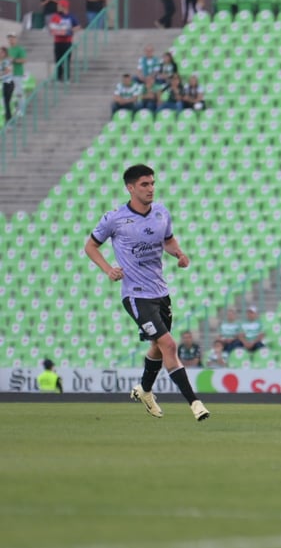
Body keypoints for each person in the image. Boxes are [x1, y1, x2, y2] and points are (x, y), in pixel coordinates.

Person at [83, 164, 209, 421]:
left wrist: (179, 253)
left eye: (152, 183)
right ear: (130, 188)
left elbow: (169, 240)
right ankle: (195, 403)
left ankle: (145, 390)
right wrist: (108, 269)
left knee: (157, 346)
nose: (151, 188)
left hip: (160, 292)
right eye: (144, 184)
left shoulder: (161, 213)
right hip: (135, 295)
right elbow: (91, 246)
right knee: (169, 345)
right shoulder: (114, 218)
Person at [49, 0, 80, 82]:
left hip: (67, 42)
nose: (58, 7)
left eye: (59, 6)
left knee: (67, 61)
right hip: (58, 41)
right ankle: (59, 77)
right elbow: (51, 27)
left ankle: (67, 77)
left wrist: (70, 30)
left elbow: (77, 26)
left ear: (64, 7)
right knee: (58, 60)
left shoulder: (71, 16)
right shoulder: (55, 16)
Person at [7, 34, 25, 116]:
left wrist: (13, 60)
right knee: (10, 93)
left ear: (16, 39)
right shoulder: (7, 50)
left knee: (19, 92)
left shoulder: (19, 49)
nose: (11, 40)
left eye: (13, 38)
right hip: (8, 74)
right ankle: (13, 109)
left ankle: (21, 109)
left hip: (17, 73)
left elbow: (24, 60)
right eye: (10, 38)